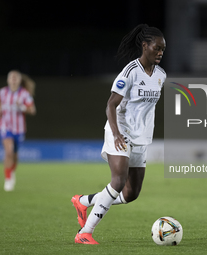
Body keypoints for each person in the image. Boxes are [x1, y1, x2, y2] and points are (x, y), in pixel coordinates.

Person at [71, 24, 166, 244]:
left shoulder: (161, 75)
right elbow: (111, 105)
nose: (160, 52)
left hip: (141, 138)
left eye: (163, 49)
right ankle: (85, 233)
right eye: (157, 48)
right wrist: (115, 133)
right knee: (118, 181)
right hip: (120, 133)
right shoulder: (130, 72)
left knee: (131, 193)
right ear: (145, 46)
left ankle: (84, 201)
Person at [0, 70, 36, 191]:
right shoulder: (1, 92)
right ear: (7, 80)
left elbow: (32, 110)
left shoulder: (24, 94)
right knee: (9, 151)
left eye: (15, 78)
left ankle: (11, 171)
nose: (13, 79)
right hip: (4, 126)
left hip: (19, 128)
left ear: (19, 80)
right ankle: (8, 179)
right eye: (11, 77)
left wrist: (21, 107)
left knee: (15, 155)